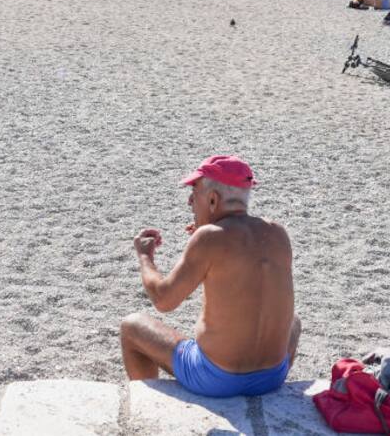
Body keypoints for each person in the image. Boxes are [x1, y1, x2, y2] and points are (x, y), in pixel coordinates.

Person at [120, 155, 299, 398]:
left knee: (131, 326)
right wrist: (204, 236)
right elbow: (240, 270)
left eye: (194, 193)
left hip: (216, 379)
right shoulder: (278, 233)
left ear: (213, 199)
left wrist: (145, 257)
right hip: (272, 376)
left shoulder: (209, 238)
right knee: (294, 322)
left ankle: (149, 405)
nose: (190, 201)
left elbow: (164, 300)